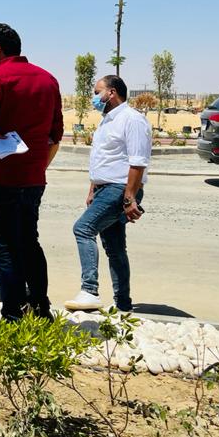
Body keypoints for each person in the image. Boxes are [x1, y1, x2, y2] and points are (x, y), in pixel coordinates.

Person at [0, 22, 64, 321]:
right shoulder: (48, 79)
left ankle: (13, 316)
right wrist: (38, 166)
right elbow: (56, 134)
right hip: (32, 179)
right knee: (29, 243)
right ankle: (40, 308)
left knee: (4, 249)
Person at [64, 75, 150, 313]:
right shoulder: (107, 121)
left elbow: (137, 162)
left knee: (83, 229)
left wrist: (130, 198)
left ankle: (89, 291)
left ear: (111, 93)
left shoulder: (132, 119)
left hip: (120, 188)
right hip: (105, 188)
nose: (94, 97)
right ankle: (123, 304)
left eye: (97, 92)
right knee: (114, 247)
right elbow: (104, 160)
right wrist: (92, 189)